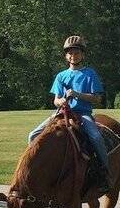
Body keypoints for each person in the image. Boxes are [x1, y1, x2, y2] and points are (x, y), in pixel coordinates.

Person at [28, 35, 111, 190]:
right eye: (70, 53)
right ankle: (34, 168)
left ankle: (104, 172)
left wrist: (77, 94)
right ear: (66, 56)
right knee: (32, 135)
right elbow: (56, 100)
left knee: (95, 137)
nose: (74, 56)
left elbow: (98, 99)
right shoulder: (61, 76)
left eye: (77, 53)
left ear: (83, 55)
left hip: (82, 114)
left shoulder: (89, 74)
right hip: (61, 113)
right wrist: (61, 101)